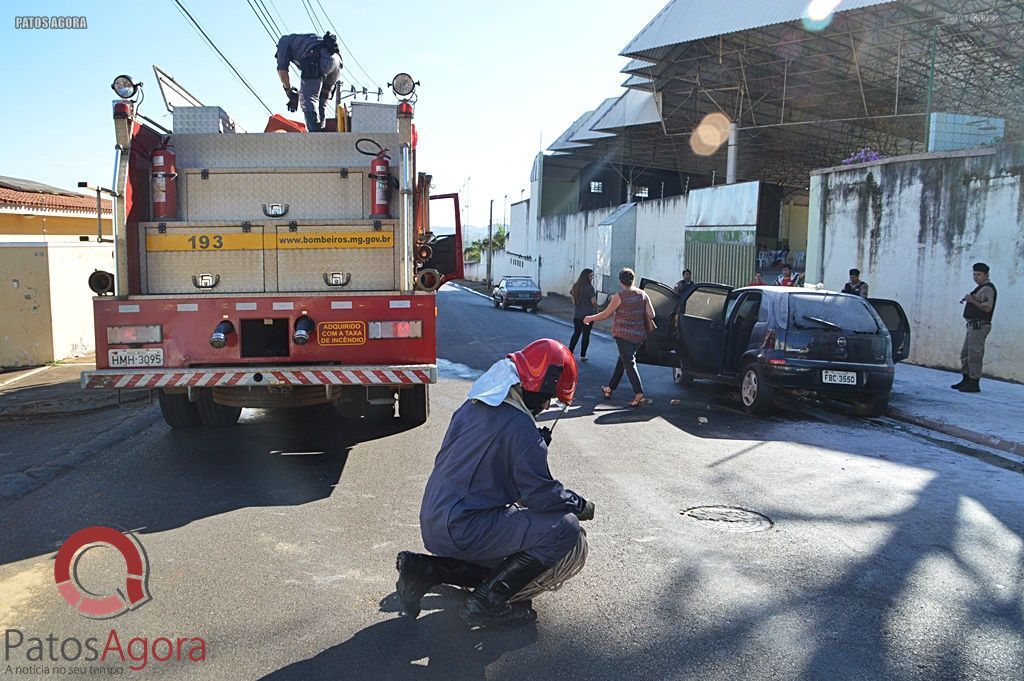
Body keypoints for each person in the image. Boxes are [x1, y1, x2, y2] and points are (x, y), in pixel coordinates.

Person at [395, 339, 594, 629]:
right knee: (565, 528)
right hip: (464, 527)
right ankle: (485, 604)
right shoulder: (521, 429)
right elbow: (540, 497)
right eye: (550, 399)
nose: (547, 406)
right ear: (541, 389)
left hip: (436, 518)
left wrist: (524, 450)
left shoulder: (473, 406)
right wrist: (579, 504)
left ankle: (423, 570)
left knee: (508, 565)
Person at [584, 267, 656, 408]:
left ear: (620, 281)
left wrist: (590, 318)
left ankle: (639, 394)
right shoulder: (643, 294)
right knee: (622, 361)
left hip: (623, 335)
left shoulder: (619, 296)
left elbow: (606, 314)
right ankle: (610, 388)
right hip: (639, 336)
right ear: (633, 279)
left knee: (629, 362)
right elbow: (652, 314)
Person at [275, 32, 342, 133]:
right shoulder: (301, 40)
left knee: (308, 98)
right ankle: (321, 129)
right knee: (322, 101)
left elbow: (282, 71)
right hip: (336, 63)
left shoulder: (283, 42)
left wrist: (288, 91)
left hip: (318, 57)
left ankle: (314, 133)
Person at [951, 262, 997, 393]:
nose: (976, 277)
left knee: (975, 354)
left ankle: (974, 382)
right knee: (965, 353)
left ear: (986, 275)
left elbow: (987, 307)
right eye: (974, 274)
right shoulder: (981, 288)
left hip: (979, 326)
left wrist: (972, 300)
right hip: (973, 326)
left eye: (979, 274)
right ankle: (966, 379)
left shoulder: (987, 288)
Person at [568, 269, 597, 361]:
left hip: (577, 315)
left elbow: (573, 298)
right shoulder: (589, 287)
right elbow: (594, 301)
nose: (592, 278)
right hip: (588, 316)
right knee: (586, 335)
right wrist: (596, 309)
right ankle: (583, 355)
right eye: (591, 276)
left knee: (576, 333)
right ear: (586, 276)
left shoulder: (576, 286)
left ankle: (569, 352)